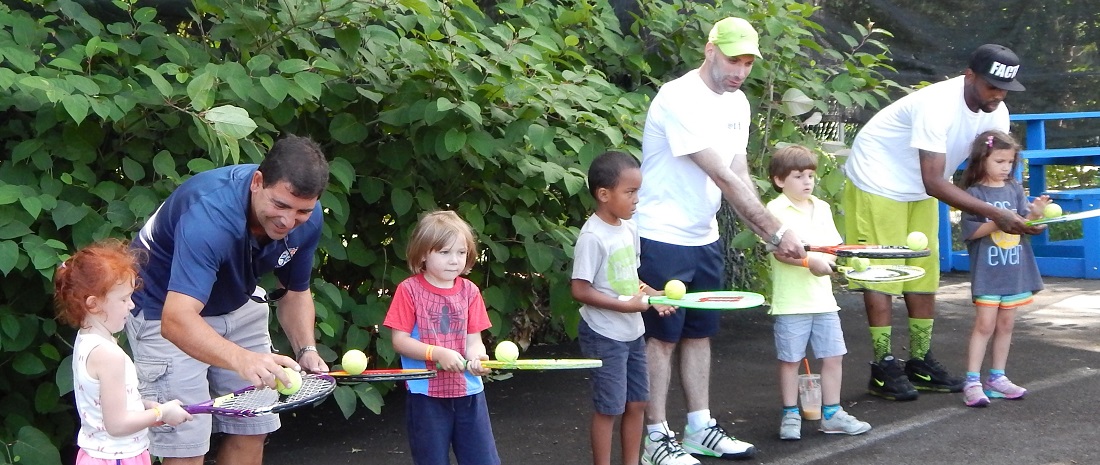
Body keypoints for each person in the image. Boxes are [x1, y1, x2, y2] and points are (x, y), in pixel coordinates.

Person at [633, 17, 806, 465]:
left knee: (698, 335)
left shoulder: (738, 104)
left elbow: (741, 172)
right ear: (710, 50)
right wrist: (776, 231)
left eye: (748, 62)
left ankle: (698, 428)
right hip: (661, 235)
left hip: (703, 235)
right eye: (734, 59)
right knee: (662, 339)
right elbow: (722, 176)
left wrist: (765, 234)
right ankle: (655, 437)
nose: (741, 70)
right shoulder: (678, 97)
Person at [841, 43, 1043, 401]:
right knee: (883, 273)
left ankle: (919, 362)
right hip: (878, 178)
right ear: (969, 76)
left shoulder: (997, 114)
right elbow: (934, 181)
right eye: (991, 86)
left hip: (921, 187)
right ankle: (883, 367)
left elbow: (984, 176)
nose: (997, 95)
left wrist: (1019, 212)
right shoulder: (936, 106)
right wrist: (997, 215)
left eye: (1004, 89)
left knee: (923, 271)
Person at [125, 135, 330, 465]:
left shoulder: (309, 217)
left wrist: (306, 350)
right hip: (163, 306)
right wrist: (245, 360)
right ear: (258, 182)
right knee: (187, 439)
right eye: (280, 205)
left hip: (238, 299)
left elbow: (295, 292)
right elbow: (176, 320)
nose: (288, 221)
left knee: (254, 422)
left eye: (302, 211)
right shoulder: (209, 214)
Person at [571, 151, 675, 465]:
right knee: (609, 408)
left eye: (637, 192)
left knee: (638, 402)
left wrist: (653, 295)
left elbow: (629, 276)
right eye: (630, 192)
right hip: (604, 334)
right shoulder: (592, 237)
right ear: (604, 195)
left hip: (632, 332)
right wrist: (623, 306)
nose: (636, 200)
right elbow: (579, 288)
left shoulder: (629, 229)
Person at [764, 145, 872, 440]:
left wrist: (829, 262)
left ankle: (832, 414)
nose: (806, 181)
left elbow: (833, 249)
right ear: (779, 180)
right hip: (791, 302)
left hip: (824, 301)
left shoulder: (822, 208)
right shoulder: (774, 211)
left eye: (810, 175)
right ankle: (790, 414)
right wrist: (807, 261)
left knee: (833, 356)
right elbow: (778, 252)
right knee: (790, 360)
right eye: (798, 176)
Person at [54, 239, 192, 465]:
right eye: (123, 298)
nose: (131, 305)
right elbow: (117, 425)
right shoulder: (109, 356)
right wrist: (162, 414)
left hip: (99, 454)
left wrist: (146, 407)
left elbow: (104, 405)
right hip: (117, 458)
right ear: (93, 304)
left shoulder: (88, 339)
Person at [382, 210, 500, 465]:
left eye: (461, 252)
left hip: (469, 392)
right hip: (426, 396)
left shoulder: (470, 291)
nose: (454, 260)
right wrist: (436, 353)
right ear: (424, 253)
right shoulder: (408, 290)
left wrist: (479, 358)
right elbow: (400, 341)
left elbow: (474, 341)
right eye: (444, 252)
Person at [958, 130, 1046, 407]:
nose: (1006, 167)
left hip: (1014, 271)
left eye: (1010, 162)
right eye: (999, 161)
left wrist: (1035, 216)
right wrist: (999, 219)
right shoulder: (974, 194)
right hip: (988, 273)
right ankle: (972, 381)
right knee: (984, 326)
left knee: (1006, 325)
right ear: (982, 160)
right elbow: (970, 233)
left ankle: (997, 379)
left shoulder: (1014, 188)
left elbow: (1023, 224)